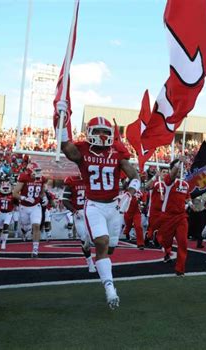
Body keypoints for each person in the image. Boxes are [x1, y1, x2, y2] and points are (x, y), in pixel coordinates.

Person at [56, 107, 140, 310]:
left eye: (106, 131)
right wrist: (61, 119)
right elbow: (65, 146)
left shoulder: (118, 152)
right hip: (93, 205)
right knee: (101, 243)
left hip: (114, 207)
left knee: (110, 247)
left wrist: (129, 192)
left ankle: (98, 257)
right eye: (98, 131)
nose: (102, 135)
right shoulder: (83, 149)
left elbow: (134, 175)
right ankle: (110, 289)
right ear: (89, 132)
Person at [156, 157, 190, 276]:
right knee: (166, 240)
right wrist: (179, 162)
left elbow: (187, 198)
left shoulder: (185, 184)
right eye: (178, 166)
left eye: (182, 166)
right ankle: (163, 244)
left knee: (183, 242)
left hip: (181, 217)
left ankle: (180, 269)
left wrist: (190, 205)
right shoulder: (168, 181)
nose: (180, 169)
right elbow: (173, 174)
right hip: (168, 216)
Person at [12, 162, 48, 258]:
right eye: (36, 171)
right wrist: (24, 198)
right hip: (24, 206)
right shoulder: (23, 177)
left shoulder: (42, 179)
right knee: (25, 225)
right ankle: (24, 230)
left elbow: (42, 193)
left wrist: (44, 198)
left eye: (38, 171)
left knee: (36, 226)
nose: (38, 173)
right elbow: (14, 193)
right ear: (29, 171)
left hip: (35, 206)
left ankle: (35, 250)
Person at [62, 174, 96, 273]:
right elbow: (65, 200)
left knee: (97, 238)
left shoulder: (93, 179)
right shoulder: (72, 180)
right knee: (84, 240)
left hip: (92, 212)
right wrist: (74, 211)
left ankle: (99, 261)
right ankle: (90, 263)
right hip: (79, 214)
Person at [0, 181, 15, 250]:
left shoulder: (13, 195)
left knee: (5, 227)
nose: (5, 189)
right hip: (1, 213)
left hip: (8, 213)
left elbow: (16, 203)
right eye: (4, 188)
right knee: (0, 229)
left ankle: (4, 242)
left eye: (7, 188)